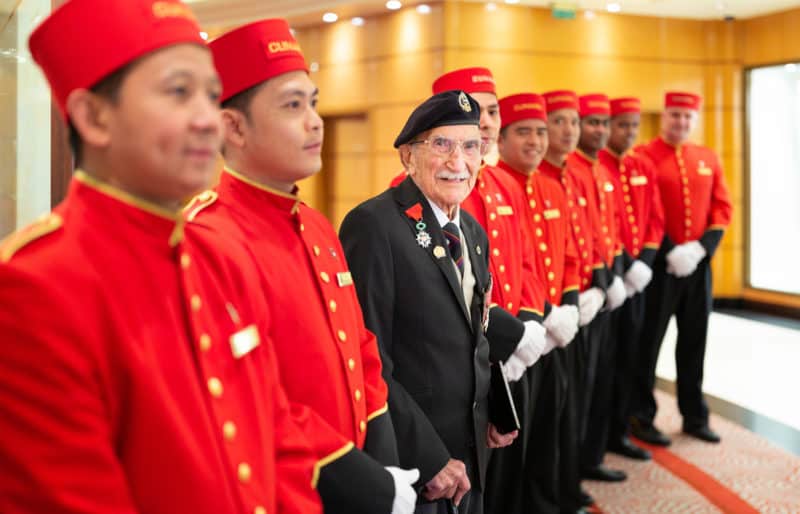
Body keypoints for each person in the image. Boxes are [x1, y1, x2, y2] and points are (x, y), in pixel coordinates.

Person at [0, 1, 322, 513]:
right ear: (94, 117)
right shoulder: (37, 287)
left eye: (212, 95)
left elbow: (278, 446)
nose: (207, 119)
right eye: (178, 92)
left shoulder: (220, 260)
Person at [186, 19, 418, 514]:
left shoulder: (315, 225)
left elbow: (359, 347)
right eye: (293, 105)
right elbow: (253, 403)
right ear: (233, 126)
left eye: (313, 102)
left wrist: (384, 462)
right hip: (289, 490)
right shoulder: (207, 239)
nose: (316, 121)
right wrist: (364, 483)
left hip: (359, 473)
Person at [341, 90, 514, 514]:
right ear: (407, 157)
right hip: (417, 461)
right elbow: (371, 357)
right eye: (442, 145)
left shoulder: (471, 231)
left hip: (472, 448)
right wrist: (429, 457)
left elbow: (476, 330)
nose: (459, 163)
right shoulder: (374, 226)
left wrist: (496, 406)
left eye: (471, 146)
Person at [425, 69, 549, 514]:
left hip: (513, 353)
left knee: (508, 472)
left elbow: (526, 261)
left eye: (492, 111)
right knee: (468, 484)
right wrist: (509, 334)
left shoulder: (504, 184)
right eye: (474, 109)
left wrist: (532, 323)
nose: (486, 120)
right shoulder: (426, 189)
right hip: (467, 360)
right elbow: (446, 291)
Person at [493, 92, 584, 513]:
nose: (536, 141)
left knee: (553, 421)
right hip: (522, 334)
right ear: (502, 137)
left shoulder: (551, 188)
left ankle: (549, 501)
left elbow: (565, 255)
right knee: (515, 438)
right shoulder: (498, 189)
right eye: (524, 131)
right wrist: (538, 321)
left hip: (555, 328)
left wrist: (568, 306)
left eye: (540, 132)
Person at [632, 91, 733, 445]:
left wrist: (701, 249)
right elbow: (644, 209)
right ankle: (641, 415)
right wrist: (670, 251)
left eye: (688, 117)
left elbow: (722, 208)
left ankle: (695, 415)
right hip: (660, 266)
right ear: (664, 117)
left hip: (698, 266)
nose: (681, 123)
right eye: (676, 115)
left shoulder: (706, 157)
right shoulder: (644, 156)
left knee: (694, 341)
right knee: (649, 342)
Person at [598, 96, 664, 461]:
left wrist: (647, 262)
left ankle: (622, 429)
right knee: (607, 362)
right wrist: (622, 270)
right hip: (611, 279)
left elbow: (656, 217)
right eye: (621, 124)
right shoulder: (597, 166)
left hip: (639, 277)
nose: (628, 132)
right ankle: (600, 436)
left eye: (634, 126)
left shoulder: (643, 165)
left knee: (633, 355)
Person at [566, 93, 628, 483]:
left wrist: (617, 274)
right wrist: (601, 282)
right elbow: (581, 235)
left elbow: (612, 230)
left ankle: (592, 457)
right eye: (591, 122)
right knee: (581, 386)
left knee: (603, 376)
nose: (599, 130)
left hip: (606, 288)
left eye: (604, 123)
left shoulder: (603, 172)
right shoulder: (569, 171)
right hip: (584, 291)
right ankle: (575, 468)